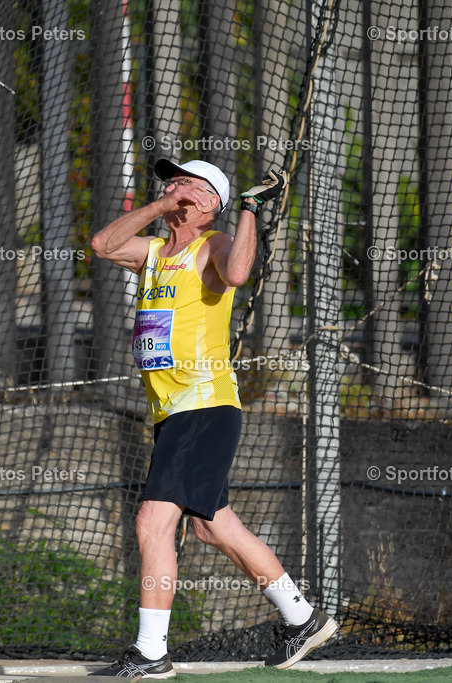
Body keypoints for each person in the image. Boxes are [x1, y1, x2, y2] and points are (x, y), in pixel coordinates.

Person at [89, 159, 337, 679]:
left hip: (202, 405)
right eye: (168, 180)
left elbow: (240, 273)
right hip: (173, 413)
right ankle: (302, 617)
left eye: (182, 182)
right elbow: (103, 246)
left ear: (207, 202)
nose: (170, 186)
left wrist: (248, 208)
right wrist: (157, 207)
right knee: (212, 527)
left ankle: (151, 652)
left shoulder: (214, 244)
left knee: (153, 521)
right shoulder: (156, 252)